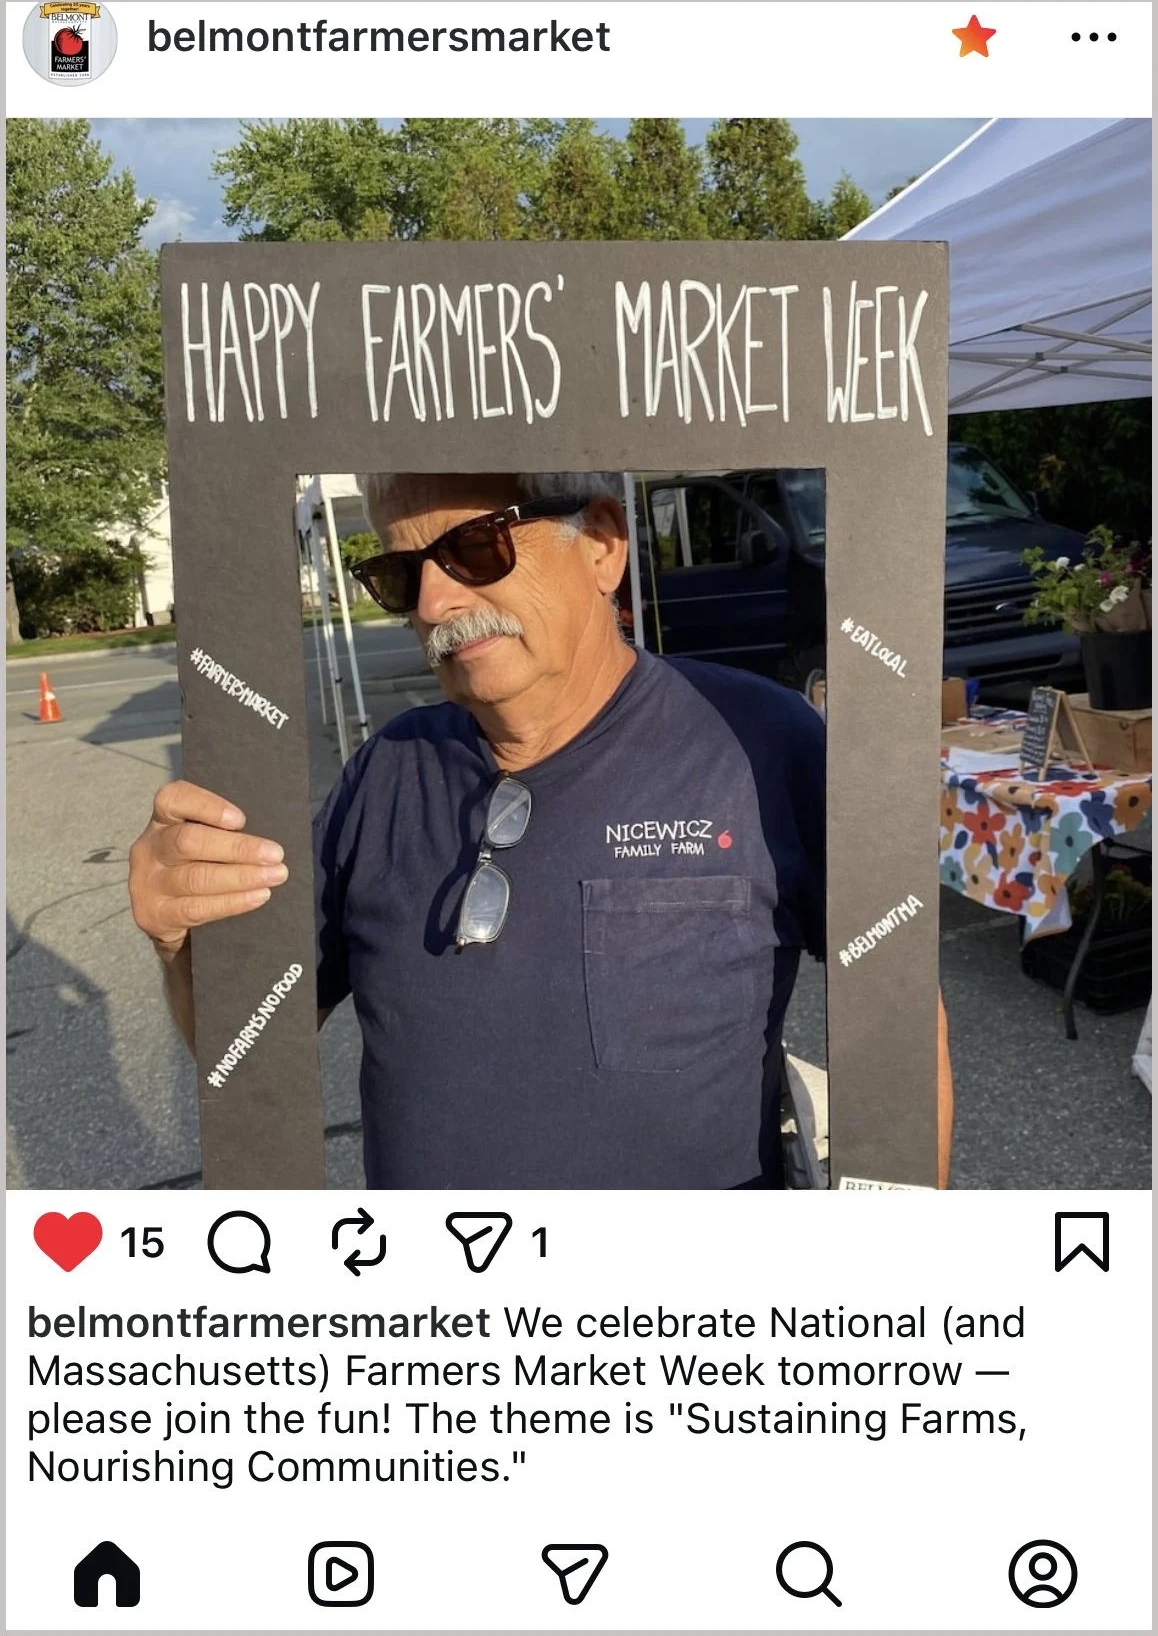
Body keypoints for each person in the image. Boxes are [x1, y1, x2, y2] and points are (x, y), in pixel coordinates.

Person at [129, 471, 952, 1189]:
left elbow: (901, 1023)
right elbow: (250, 1048)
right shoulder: (384, 775)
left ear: (601, 546)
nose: (433, 602)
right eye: (399, 573)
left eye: (475, 548)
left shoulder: (761, 744)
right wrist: (180, 943)